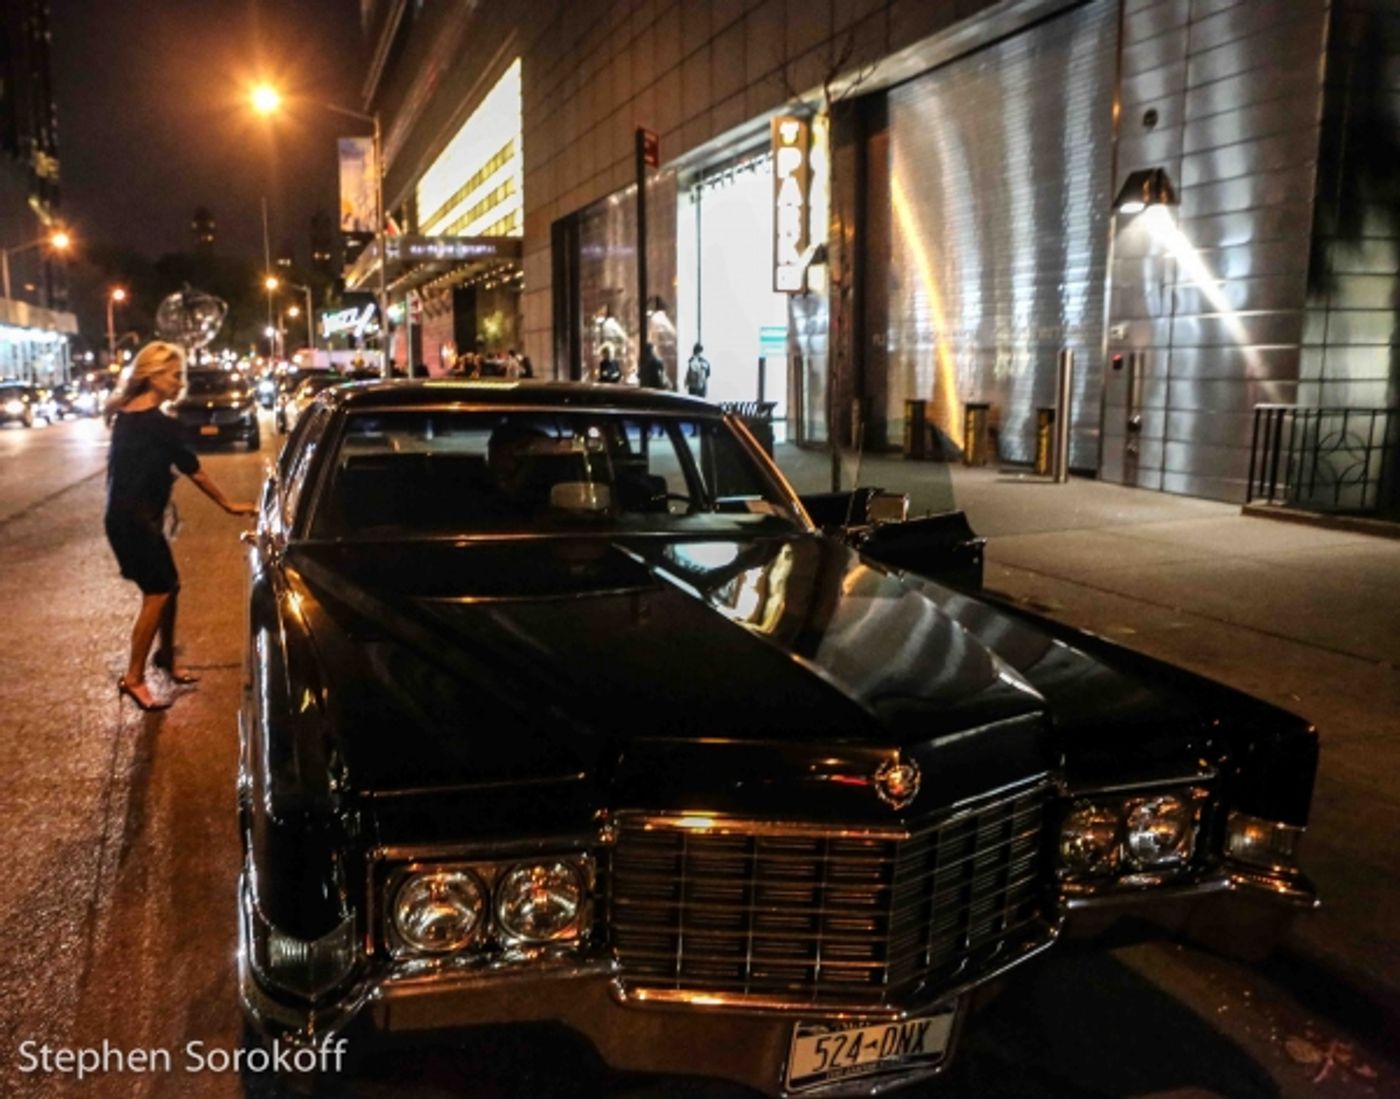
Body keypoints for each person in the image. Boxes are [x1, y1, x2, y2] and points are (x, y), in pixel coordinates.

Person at [104, 342, 256, 711]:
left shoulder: (124, 415)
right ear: (153, 376)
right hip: (136, 521)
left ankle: (166, 657)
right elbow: (193, 469)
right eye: (174, 375)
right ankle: (134, 677)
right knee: (158, 593)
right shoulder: (161, 425)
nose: (179, 382)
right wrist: (228, 504)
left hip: (124, 517)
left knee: (169, 586)